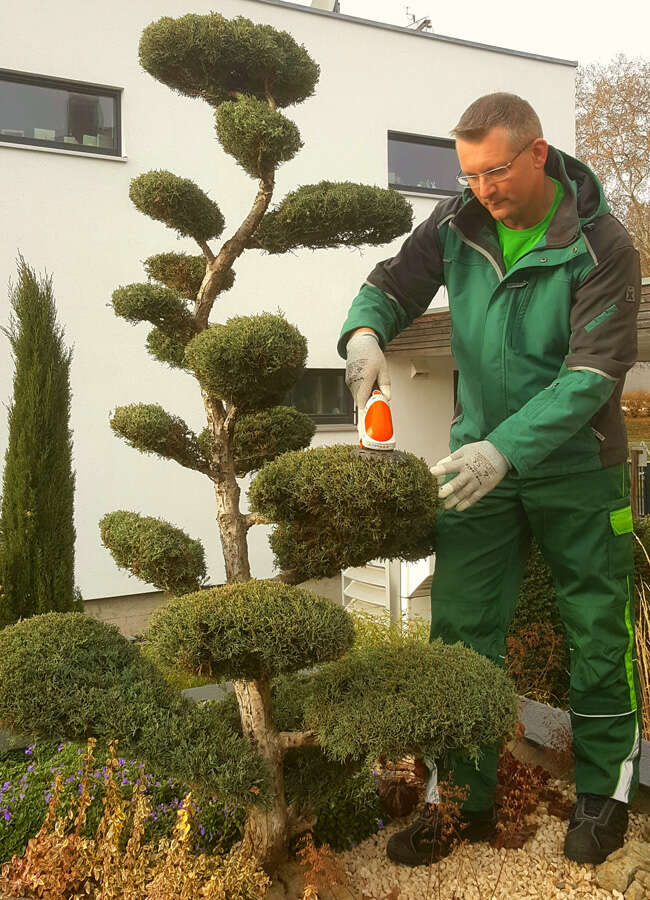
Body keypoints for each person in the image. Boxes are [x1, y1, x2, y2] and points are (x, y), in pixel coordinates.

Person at [338, 93, 642, 867]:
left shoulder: (603, 244)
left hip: (577, 469)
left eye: (495, 171)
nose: (481, 190)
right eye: (468, 174)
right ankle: (458, 798)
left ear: (538, 154)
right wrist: (367, 333)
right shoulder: (456, 223)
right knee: (462, 633)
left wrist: (506, 448)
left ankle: (604, 793)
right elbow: (391, 282)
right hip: (477, 470)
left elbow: (590, 376)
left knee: (596, 633)